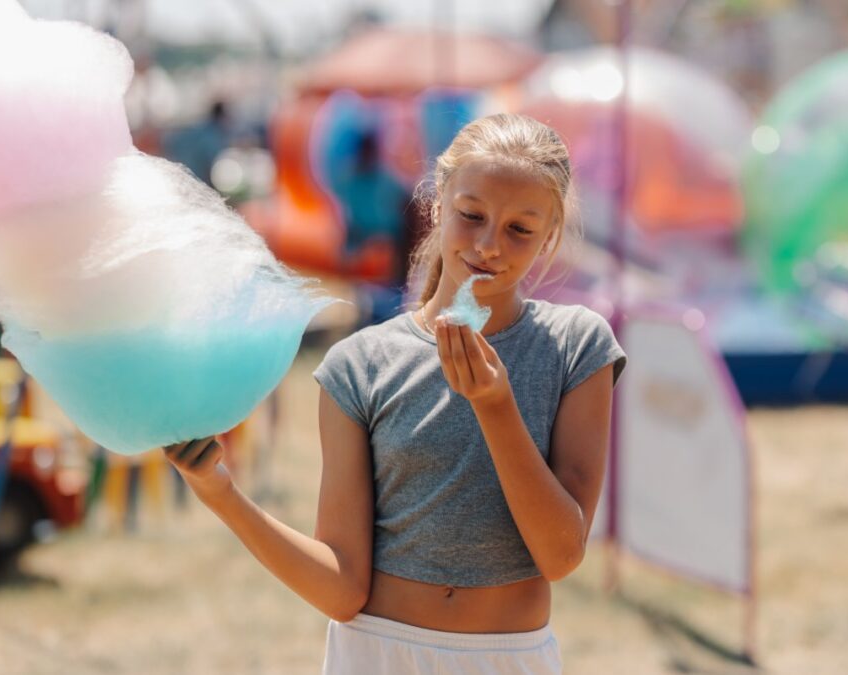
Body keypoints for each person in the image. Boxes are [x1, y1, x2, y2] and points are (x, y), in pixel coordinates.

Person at [164, 113, 627, 674]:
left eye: (520, 230)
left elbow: (561, 555)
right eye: (471, 215)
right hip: (374, 655)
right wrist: (220, 494)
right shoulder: (358, 365)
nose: (489, 245)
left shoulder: (575, 346)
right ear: (437, 204)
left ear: (550, 234)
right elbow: (342, 591)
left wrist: (496, 407)